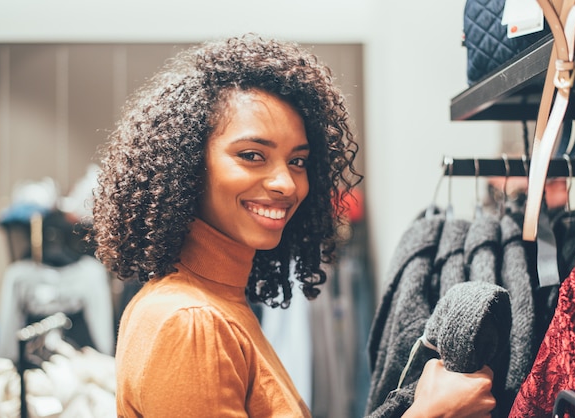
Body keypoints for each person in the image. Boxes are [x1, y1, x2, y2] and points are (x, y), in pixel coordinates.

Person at [91, 34, 496, 417]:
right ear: (187, 165)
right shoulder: (192, 321)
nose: (286, 183)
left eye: (298, 161)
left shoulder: (216, 302)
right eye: (252, 155)